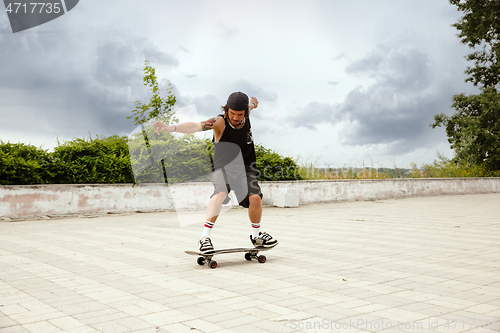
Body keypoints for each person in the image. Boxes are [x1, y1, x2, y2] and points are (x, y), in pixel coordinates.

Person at [153, 92, 278, 254]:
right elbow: (196, 126)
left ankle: (256, 236)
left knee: (255, 198)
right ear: (227, 110)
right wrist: (172, 128)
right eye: (232, 113)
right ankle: (205, 238)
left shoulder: (245, 113)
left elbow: (250, 107)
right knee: (220, 193)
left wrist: (253, 104)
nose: (235, 117)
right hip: (222, 168)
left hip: (245, 169)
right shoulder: (220, 122)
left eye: (239, 114)